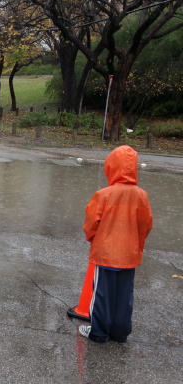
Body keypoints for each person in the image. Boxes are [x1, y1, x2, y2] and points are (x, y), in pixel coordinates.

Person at [78, 145, 153, 343]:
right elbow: (146, 225)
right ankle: (120, 333)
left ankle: (98, 332)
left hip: (106, 255)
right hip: (129, 255)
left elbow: (91, 223)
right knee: (124, 296)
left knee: (102, 294)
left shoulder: (104, 194)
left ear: (111, 167)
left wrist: (93, 239)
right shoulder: (142, 196)